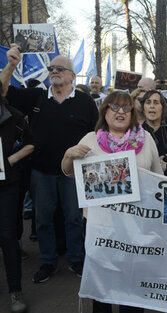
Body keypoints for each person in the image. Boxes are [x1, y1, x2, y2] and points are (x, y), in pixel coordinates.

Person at [1, 45, 98, 283]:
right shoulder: (35, 97)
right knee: (42, 219)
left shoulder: (86, 102)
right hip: (40, 172)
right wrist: (11, 65)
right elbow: (2, 92)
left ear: (72, 76)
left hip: (73, 174)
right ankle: (48, 262)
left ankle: (76, 260)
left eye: (60, 68)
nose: (54, 71)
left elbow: (98, 135)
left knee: (74, 218)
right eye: (51, 68)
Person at [61, 91, 163, 313]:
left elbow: (158, 178)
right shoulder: (90, 139)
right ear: (104, 111)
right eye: (114, 107)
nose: (120, 112)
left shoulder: (146, 140)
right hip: (101, 226)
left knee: (133, 285)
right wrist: (69, 154)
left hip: (136, 226)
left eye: (126, 108)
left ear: (133, 113)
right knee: (103, 285)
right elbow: (69, 171)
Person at [0, 81, 34, 313]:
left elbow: (32, 143)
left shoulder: (12, 115)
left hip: (6, 185)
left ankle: (15, 290)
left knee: (7, 236)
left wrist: (9, 161)